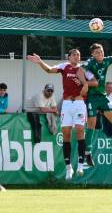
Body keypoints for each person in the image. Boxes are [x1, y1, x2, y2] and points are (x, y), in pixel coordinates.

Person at [27, 49, 97, 180]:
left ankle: (81, 165)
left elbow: (95, 82)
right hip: (66, 105)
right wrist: (40, 62)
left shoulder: (83, 69)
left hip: (79, 103)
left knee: (80, 131)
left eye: (78, 55)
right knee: (66, 134)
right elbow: (49, 70)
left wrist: (86, 83)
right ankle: (68, 167)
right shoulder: (64, 66)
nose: (76, 57)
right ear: (69, 57)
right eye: (74, 55)